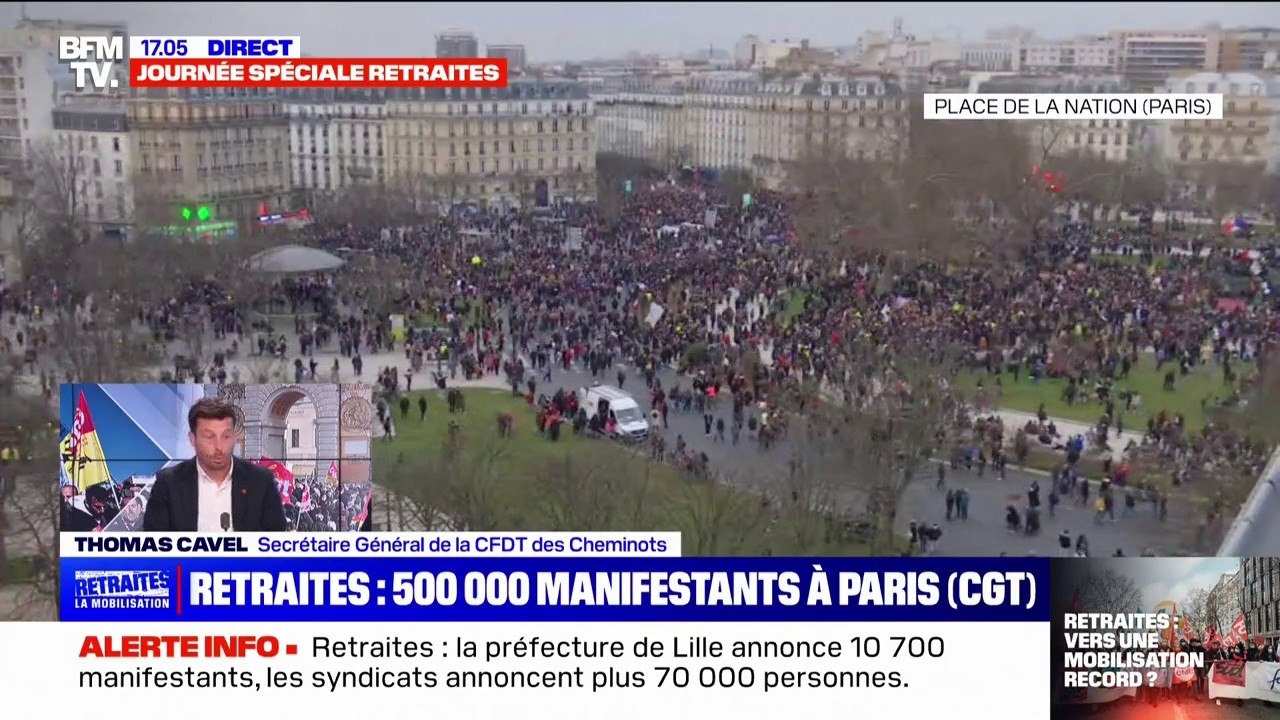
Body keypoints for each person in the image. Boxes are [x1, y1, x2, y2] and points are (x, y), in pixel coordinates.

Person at [144, 398, 287, 532]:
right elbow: (154, 547)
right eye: (209, 436)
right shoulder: (168, 483)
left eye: (226, 436)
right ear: (192, 439)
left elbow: (276, 543)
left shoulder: (261, 481)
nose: (219, 446)